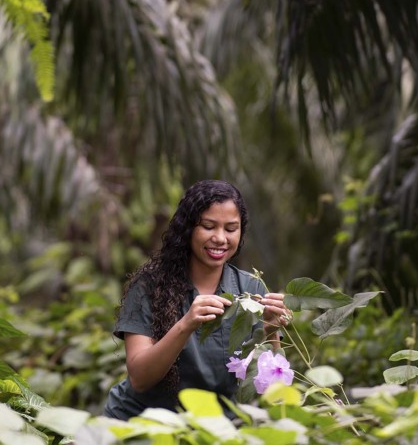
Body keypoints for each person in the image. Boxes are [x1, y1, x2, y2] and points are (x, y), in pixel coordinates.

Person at [102, 180, 290, 420]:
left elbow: (272, 388)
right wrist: (186, 323)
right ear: (188, 228)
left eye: (231, 229)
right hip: (143, 423)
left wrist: (272, 331)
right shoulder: (150, 285)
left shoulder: (252, 288)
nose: (220, 238)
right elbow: (139, 378)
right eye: (209, 226)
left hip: (217, 429)